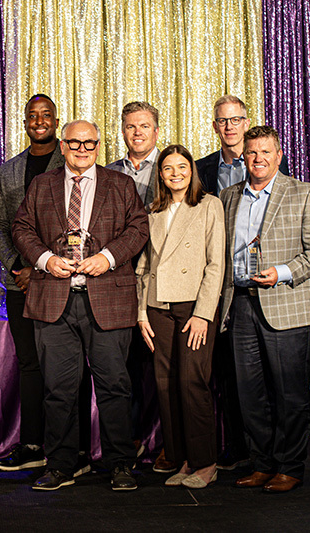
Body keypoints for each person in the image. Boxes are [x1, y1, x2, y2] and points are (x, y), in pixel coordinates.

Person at [13, 120, 149, 491]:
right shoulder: (42, 185)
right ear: (63, 144)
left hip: (107, 298)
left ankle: (120, 463)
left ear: (99, 145)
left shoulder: (121, 185)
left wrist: (107, 257)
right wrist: (43, 259)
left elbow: (138, 229)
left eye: (90, 143)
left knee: (114, 385)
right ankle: (61, 465)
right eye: (75, 143)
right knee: (58, 388)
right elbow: (21, 228)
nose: (83, 150)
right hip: (54, 299)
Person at [220, 125, 310, 493]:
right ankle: (262, 463)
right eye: (252, 152)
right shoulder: (228, 197)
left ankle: (290, 465)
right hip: (240, 304)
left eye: (265, 152)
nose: (258, 159)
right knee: (249, 392)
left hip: (285, 303)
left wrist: (282, 272)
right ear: (244, 156)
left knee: (289, 392)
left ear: (279, 155)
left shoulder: (304, 193)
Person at [0, 94, 92, 476]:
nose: (39, 121)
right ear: (25, 121)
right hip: (19, 283)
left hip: (61, 281)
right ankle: (32, 444)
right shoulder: (10, 170)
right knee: (30, 364)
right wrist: (19, 265)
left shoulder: (71, 164)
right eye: (32, 115)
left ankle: (76, 450)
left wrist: (43, 265)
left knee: (70, 367)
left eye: (46, 115)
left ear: (56, 121)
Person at [194, 94, 287, 471]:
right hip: (217, 286)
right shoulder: (201, 169)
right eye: (223, 120)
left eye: (237, 120)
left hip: (266, 288)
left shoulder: (265, 167)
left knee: (269, 377)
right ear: (215, 126)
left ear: (246, 124)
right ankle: (238, 447)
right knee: (230, 373)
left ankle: (274, 455)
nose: (230, 126)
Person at [136, 145, 225, 489]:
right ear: (160, 174)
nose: (176, 173)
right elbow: (144, 268)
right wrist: (141, 312)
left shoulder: (208, 205)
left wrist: (204, 314)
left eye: (182, 167)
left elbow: (216, 264)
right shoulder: (152, 210)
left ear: (192, 171)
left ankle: (205, 463)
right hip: (158, 306)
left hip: (193, 307)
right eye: (169, 168)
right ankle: (181, 459)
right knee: (165, 384)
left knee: (192, 382)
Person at [106, 100, 163, 471]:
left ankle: (164, 441)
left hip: (162, 280)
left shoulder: (174, 167)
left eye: (144, 126)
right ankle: (129, 440)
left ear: (156, 131)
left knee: (160, 368)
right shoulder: (108, 172)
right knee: (124, 365)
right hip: (119, 280)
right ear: (122, 131)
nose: (137, 132)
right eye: (130, 126)